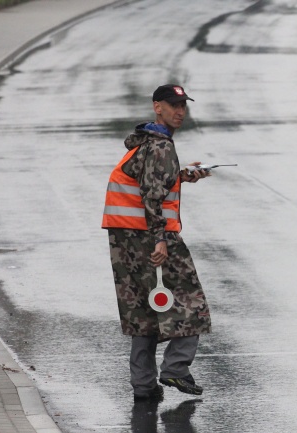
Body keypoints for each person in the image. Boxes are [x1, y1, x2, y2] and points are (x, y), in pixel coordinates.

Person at [102, 84, 212, 401]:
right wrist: (160, 240)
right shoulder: (161, 146)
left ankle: (144, 386)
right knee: (192, 302)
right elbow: (152, 195)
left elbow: (153, 180)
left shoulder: (147, 143)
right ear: (157, 107)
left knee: (143, 309)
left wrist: (183, 175)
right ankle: (176, 369)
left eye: (183, 105)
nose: (180, 111)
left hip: (125, 237)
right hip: (149, 236)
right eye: (173, 105)